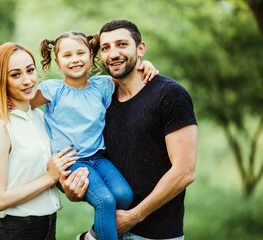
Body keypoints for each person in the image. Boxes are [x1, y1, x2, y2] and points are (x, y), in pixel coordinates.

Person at [63, 20, 198, 240]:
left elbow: (184, 172)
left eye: (122, 44)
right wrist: (77, 191)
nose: (113, 53)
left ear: (140, 48)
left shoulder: (169, 95)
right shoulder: (103, 99)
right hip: (109, 230)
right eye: (106, 48)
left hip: (157, 235)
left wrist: (134, 216)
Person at [22, 31, 158, 240]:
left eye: (80, 53)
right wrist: (9, 102)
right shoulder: (52, 90)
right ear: (58, 63)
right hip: (70, 162)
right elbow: (25, 104)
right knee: (104, 201)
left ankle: (90, 237)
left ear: (91, 57)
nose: (75, 59)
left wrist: (144, 64)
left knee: (124, 196)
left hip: (98, 157)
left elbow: (132, 78)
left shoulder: (103, 86)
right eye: (67, 56)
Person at [0, 42, 80, 240]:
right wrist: (50, 177)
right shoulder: (0, 128)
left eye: (30, 70)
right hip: (16, 231)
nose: (27, 80)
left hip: (48, 226)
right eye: (15, 75)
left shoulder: (40, 117)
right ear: (2, 81)